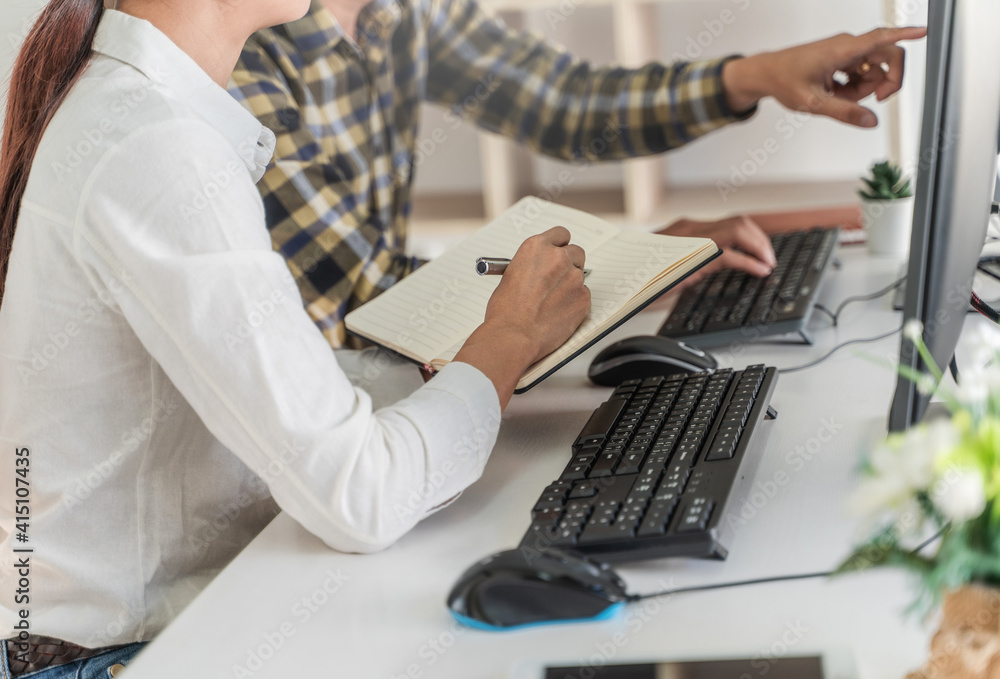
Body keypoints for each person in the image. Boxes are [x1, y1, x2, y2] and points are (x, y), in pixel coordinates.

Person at [0, 0, 591, 675]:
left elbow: (272, 387)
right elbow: (362, 495)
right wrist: (507, 336)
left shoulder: (140, 111)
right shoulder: (158, 147)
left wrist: (465, 365)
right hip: (115, 658)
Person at [230, 0, 925, 346]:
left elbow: (567, 104)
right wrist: (636, 266)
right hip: (296, 456)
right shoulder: (241, 53)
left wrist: (758, 76)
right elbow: (371, 303)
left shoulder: (395, 11)